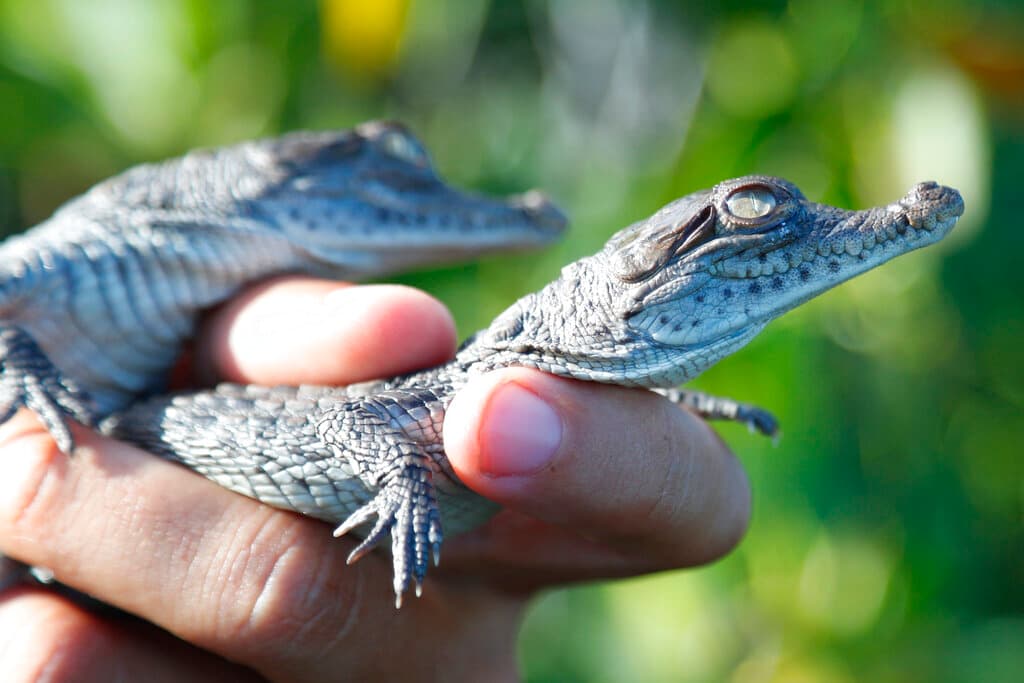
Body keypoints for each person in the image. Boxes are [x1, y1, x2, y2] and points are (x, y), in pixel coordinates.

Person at [0, 276, 751, 681]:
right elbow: (344, 423)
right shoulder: (454, 393)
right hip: (126, 450)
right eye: (753, 212)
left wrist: (658, 397)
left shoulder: (517, 396)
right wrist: (405, 480)